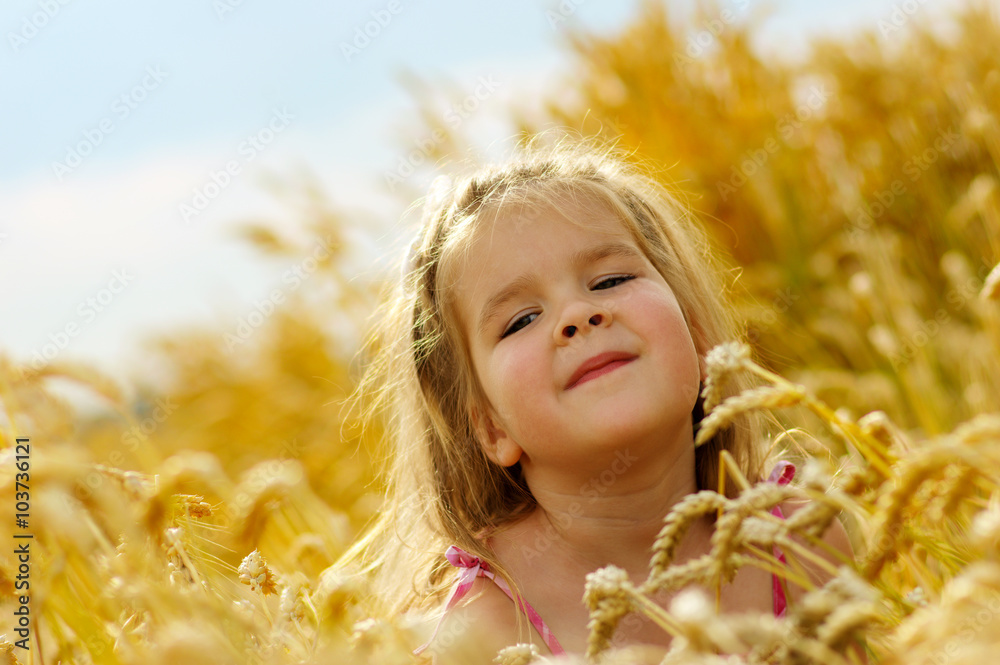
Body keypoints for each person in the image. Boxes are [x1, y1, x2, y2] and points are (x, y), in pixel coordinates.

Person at [345, 138, 853, 662]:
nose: (578, 314)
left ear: (701, 341)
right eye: (521, 319)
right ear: (491, 427)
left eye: (611, 279)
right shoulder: (485, 631)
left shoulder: (799, 541)